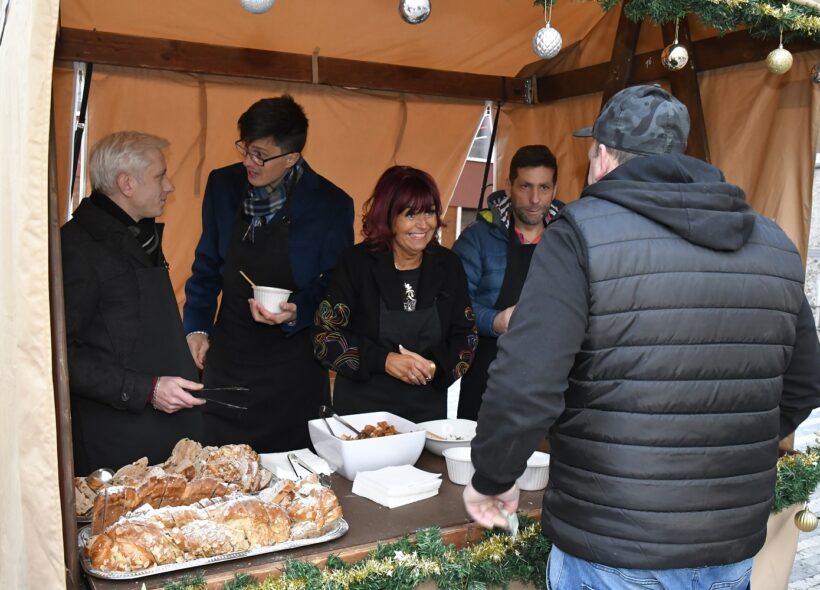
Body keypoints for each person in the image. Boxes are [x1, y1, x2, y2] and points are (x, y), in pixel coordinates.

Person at [462, 85, 820, 589]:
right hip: (728, 544)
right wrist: (726, 442)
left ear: (603, 156)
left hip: (613, 544)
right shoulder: (773, 242)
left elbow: (526, 383)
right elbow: (804, 383)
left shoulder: (580, 233)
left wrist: (492, 480)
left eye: (590, 154)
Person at [183, 96, 354, 452]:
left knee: (293, 478)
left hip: (293, 368)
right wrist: (196, 326)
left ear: (291, 157)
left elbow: (335, 285)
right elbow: (206, 266)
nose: (248, 161)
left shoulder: (331, 204)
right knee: (220, 470)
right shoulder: (223, 186)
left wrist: (299, 311)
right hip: (230, 358)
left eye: (260, 154)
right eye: (245, 149)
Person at [62, 131, 205, 475]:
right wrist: (147, 389)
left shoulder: (138, 233)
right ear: (126, 184)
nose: (169, 186)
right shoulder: (77, 247)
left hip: (165, 430)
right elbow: (63, 356)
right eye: (160, 176)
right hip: (114, 445)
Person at [313, 166, 478, 423]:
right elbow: (325, 338)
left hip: (427, 417)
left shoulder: (448, 266)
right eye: (410, 214)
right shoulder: (356, 263)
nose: (423, 225)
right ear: (387, 216)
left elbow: (466, 336)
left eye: (430, 212)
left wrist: (435, 368)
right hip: (362, 416)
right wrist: (384, 360)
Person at [453, 145, 563, 420]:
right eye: (526, 186)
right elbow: (454, 303)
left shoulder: (568, 240)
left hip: (551, 379)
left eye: (544, 188)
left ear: (555, 189)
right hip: (487, 375)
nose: (535, 199)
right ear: (509, 186)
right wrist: (495, 321)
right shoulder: (477, 238)